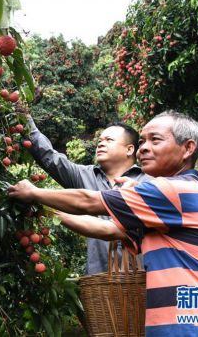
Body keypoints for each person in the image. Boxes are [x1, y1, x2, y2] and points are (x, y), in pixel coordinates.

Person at [9, 111, 198, 336]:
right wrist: (50, 211)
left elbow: (89, 201)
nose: (143, 148)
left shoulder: (175, 190)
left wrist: (34, 193)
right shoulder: (164, 201)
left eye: (155, 140)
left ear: (188, 148)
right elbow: (107, 230)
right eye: (143, 141)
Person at [22, 110, 150, 274]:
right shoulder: (85, 175)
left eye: (109, 140)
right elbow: (50, 158)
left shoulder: (148, 181)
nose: (101, 144)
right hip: (97, 280)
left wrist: (43, 203)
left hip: (144, 280)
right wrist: (25, 119)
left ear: (130, 149)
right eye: (100, 141)